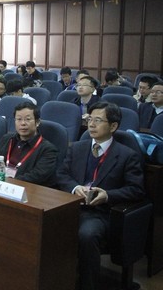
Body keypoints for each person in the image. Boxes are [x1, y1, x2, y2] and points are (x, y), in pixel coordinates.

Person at [57, 102, 145, 290]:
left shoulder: (127, 155)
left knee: (87, 234)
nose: (91, 124)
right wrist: (75, 187)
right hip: (71, 205)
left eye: (98, 120)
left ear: (113, 126)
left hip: (102, 213)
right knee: (42, 222)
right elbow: (61, 175)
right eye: (90, 119)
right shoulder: (77, 148)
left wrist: (108, 195)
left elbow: (136, 189)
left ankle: (87, 285)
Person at [0, 102, 58, 187]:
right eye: (19, 119)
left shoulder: (48, 149)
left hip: (26, 190)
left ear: (37, 122)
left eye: (27, 119)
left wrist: (9, 182)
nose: (23, 123)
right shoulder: (7, 138)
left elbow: (37, 177)